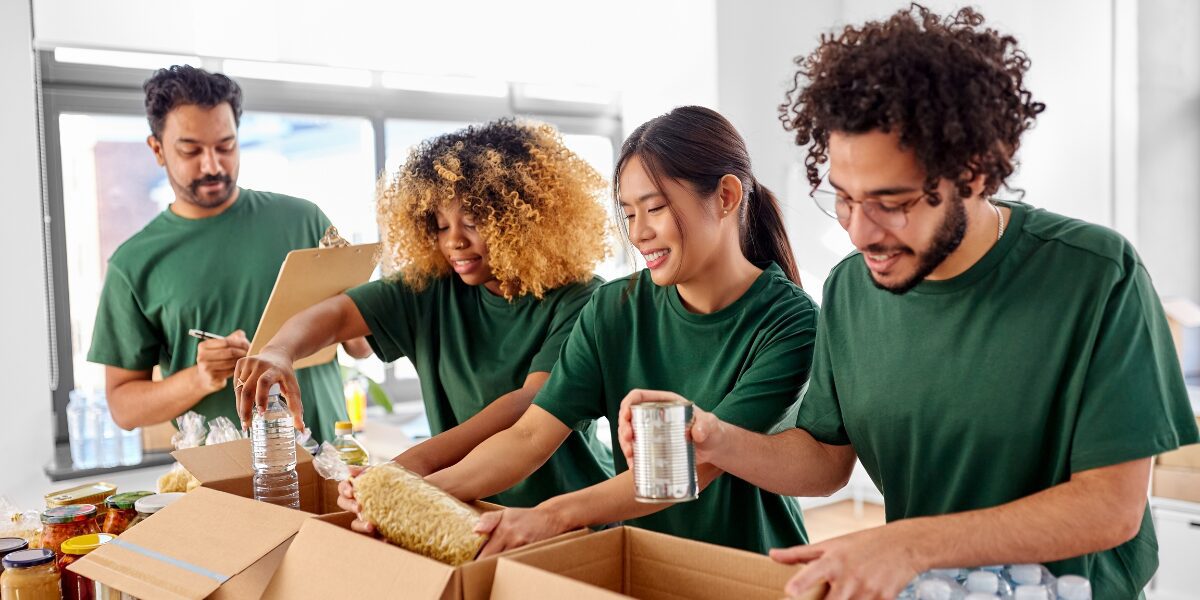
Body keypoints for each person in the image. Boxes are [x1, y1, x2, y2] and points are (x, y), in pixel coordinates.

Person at [618, 7, 1200, 600]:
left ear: (972, 171)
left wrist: (908, 543)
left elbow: (1109, 509)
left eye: (890, 202)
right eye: (843, 199)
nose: (859, 232)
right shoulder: (851, 289)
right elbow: (824, 459)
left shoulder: (1095, 275)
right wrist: (715, 437)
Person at [335, 106, 818, 556]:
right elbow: (528, 438)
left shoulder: (788, 321)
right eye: (628, 213)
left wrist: (552, 515)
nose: (639, 233)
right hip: (637, 557)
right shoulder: (615, 307)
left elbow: (692, 464)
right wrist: (408, 493)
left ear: (727, 197)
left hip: (748, 559)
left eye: (654, 208)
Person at [234, 119, 614, 507]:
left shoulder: (581, 299)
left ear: (522, 220)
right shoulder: (431, 288)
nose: (455, 241)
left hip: (566, 511)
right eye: (440, 224)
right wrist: (280, 351)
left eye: (473, 221)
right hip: (466, 509)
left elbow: (529, 404)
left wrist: (409, 468)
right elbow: (335, 315)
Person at [88, 65, 369, 444]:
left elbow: (363, 346)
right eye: (190, 150)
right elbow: (124, 407)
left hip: (327, 467)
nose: (213, 165)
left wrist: (349, 310)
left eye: (226, 146)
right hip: (220, 484)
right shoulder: (134, 264)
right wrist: (199, 378)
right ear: (157, 150)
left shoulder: (304, 220)